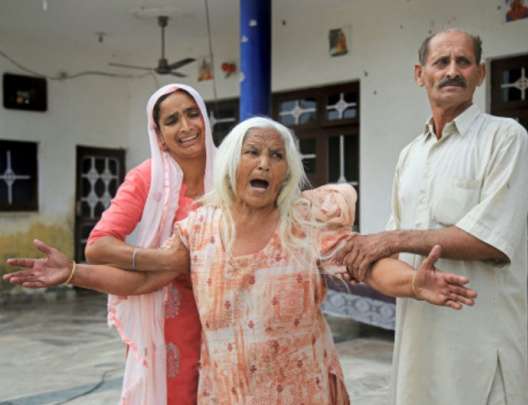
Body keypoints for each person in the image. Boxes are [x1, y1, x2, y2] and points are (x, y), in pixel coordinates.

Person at [5, 117, 477, 404]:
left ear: (286, 173)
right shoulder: (199, 227)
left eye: (276, 155)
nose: (265, 162)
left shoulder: (305, 222)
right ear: (232, 164)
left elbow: (366, 265)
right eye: (253, 152)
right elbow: (146, 280)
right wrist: (72, 272)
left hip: (302, 391)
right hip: (227, 392)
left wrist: (414, 283)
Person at [336, 29, 528, 405]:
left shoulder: (505, 138)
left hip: (481, 355)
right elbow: (389, 257)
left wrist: (390, 240)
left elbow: (492, 239)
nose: (452, 71)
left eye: (464, 62)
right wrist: (362, 261)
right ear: (420, 74)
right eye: (441, 62)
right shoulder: (410, 155)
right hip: (417, 356)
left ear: (481, 73)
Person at [84, 83, 217, 404]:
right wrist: (166, 261)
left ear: (205, 117)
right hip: (170, 315)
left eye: (192, 114)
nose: (186, 127)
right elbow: (98, 246)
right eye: (171, 121)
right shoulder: (148, 178)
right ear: (158, 134)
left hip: (229, 310)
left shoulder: (231, 171)